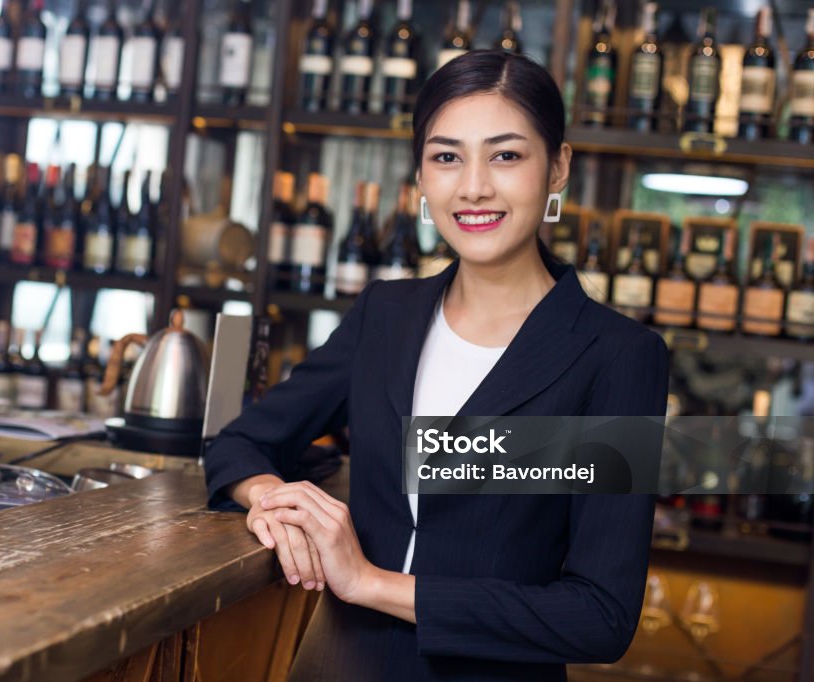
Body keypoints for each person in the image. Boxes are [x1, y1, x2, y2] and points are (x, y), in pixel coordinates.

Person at [203, 50, 669, 681]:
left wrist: (369, 582)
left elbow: (599, 616)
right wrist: (272, 499)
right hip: (341, 666)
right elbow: (240, 442)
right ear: (421, 175)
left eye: (505, 155)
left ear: (557, 166)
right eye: (446, 156)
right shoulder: (385, 315)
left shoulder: (617, 356)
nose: (473, 186)